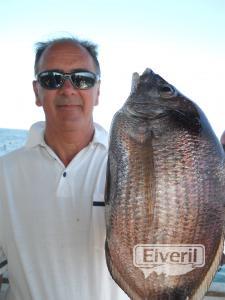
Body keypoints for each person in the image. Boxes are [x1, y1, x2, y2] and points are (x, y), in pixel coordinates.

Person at [0, 36, 129, 300]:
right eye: (52, 79)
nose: (68, 89)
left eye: (82, 78)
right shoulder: (5, 172)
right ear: (37, 91)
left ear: (98, 92)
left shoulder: (134, 170)